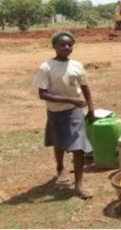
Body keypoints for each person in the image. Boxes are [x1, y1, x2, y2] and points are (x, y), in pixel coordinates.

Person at [33, 31, 95, 200]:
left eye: (69, 44)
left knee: (79, 146)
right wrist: (71, 99)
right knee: (59, 142)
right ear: (54, 46)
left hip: (74, 111)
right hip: (55, 111)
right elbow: (43, 94)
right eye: (62, 44)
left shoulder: (76, 65)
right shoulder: (46, 67)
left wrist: (91, 107)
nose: (66, 47)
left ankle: (79, 185)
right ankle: (60, 168)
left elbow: (85, 87)